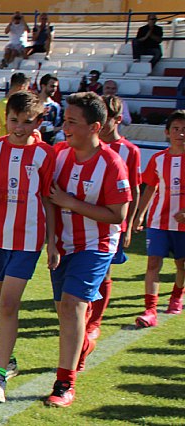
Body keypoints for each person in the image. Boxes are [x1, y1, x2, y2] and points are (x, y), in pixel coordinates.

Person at [0, 91, 55, 403]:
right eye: (14, 121)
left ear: (39, 122)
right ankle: (10, 358)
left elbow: (49, 199)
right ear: (6, 120)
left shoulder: (46, 154)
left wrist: (53, 242)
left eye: (27, 122)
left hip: (29, 241)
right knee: (1, 305)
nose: (19, 127)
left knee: (7, 306)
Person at [46, 92, 131, 407]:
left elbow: (118, 215)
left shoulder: (112, 162)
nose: (64, 127)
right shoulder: (59, 154)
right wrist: (50, 242)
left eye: (71, 122)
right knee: (65, 312)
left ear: (95, 127)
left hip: (96, 246)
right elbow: (48, 200)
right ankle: (82, 346)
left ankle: (65, 384)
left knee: (71, 307)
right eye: (65, 120)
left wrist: (72, 203)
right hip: (62, 246)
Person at [84, 95, 141, 342]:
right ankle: (85, 314)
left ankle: (94, 320)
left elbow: (135, 190)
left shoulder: (128, 151)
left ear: (117, 120)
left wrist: (130, 224)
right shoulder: (86, 147)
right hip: (84, 221)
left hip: (112, 224)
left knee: (104, 273)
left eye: (106, 118)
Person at [132, 109, 185, 327]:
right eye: (176, 129)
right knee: (153, 263)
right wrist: (139, 215)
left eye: (184, 130)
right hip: (158, 222)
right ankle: (150, 310)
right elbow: (149, 188)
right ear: (166, 132)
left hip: (183, 226)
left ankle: (176, 296)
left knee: (182, 265)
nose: (180, 134)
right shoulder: (158, 159)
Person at [0, 72, 30, 137]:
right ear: (22, 87)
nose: (27, 92)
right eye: (27, 88)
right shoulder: (5, 104)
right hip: (7, 144)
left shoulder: (8, 103)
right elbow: (10, 128)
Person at [38, 74, 62, 144]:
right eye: (52, 86)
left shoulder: (56, 106)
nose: (54, 89)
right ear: (43, 86)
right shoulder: (33, 104)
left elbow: (57, 126)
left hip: (49, 144)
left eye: (56, 87)